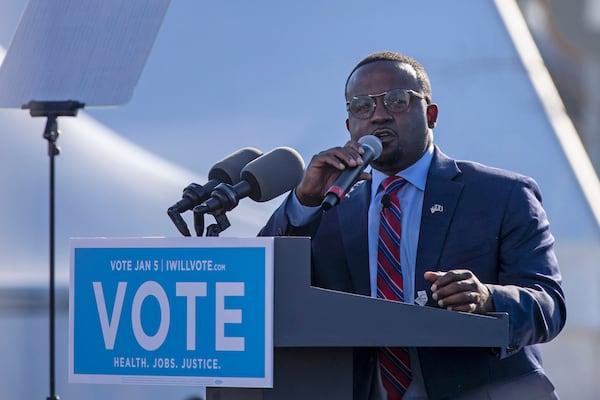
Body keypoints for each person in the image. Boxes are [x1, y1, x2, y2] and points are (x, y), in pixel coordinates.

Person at [258, 51, 566, 399]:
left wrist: (488, 299)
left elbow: (549, 306)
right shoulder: (329, 205)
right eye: (362, 106)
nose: (378, 115)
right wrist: (304, 202)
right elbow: (259, 286)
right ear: (349, 126)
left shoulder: (502, 194)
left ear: (431, 115)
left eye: (397, 100)